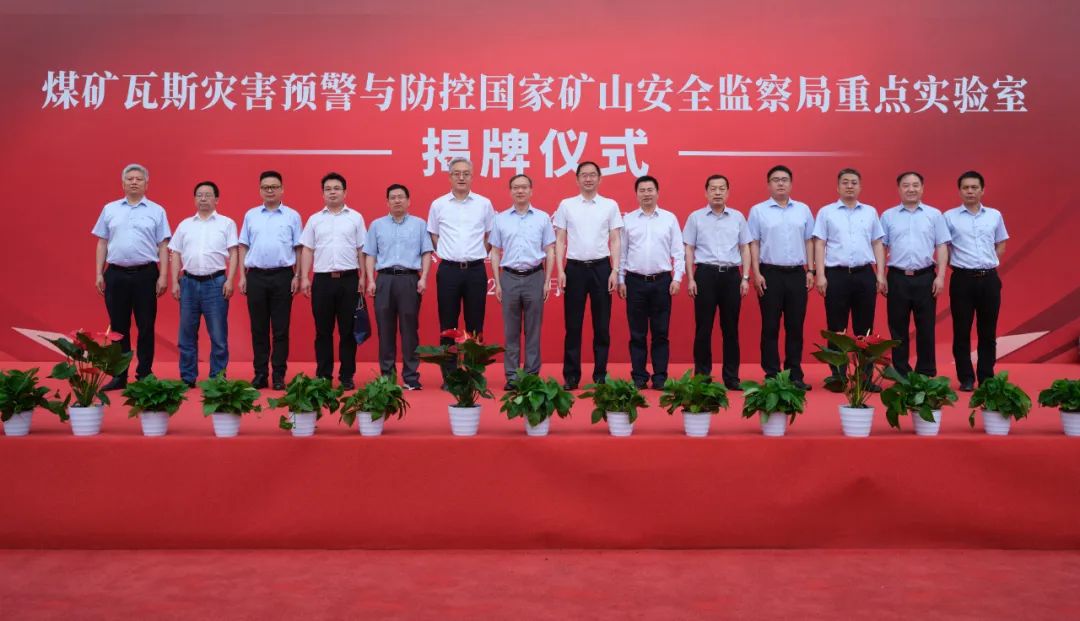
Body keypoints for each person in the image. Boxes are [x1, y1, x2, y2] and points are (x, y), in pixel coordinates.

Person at [92, 163, 171, 390]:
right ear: (123, 183)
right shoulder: (110, 209)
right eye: (130, 179)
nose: (134, 182)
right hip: (116, 274)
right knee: (118, 328)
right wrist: (99, 273)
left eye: (139, 179)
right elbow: (102, 242)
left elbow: (163, 245)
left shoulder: (157, 211)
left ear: (146, 184)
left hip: (146, 274)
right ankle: (120, 375)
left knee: (146, 325)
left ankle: (144, 373)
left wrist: (163, 275)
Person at [812, 168, 886, 388]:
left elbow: (877, 243)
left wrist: (880, 274)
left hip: (864, 274)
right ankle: (838, 377)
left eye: (854, 182)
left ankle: (865, 378)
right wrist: (820, 275)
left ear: (860, 187)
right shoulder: (826, 212)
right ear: (838, 187)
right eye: (845, 182)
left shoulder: (870, 212)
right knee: (837, 330)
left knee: (866, 329)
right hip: (836, 275)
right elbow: (820, 243)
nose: (849, 186)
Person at [553, 161, 623, 389]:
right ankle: (571, 376)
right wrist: (560, 270)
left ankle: (600, 375)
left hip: (601, 268)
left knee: (602, 326)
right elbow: (560, 240)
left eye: (593, 175)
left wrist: (615, 270)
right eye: (584, 175)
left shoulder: (610, 205)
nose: (588, 179)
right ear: (577, 179)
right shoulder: (566, 205)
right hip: (574, 269)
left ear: (600, 178)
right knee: (573, 326)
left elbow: (615, 240)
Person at [427, 158, 495, 388]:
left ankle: (474, 374)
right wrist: (448, 252)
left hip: (475, 270)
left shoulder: (484, 204)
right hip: (448, 270)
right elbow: (434, 235)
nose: (461, 177)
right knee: (448, 324)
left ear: (472, 176)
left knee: (475, 323)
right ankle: (450, 376)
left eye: (466, 173)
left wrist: (477, 253)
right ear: (449, 177)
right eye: (456, 173)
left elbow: (490, 235)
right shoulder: (438, 205)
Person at [747, 165, 815, 391]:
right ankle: (772, 374)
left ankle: (794, 374)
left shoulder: (803, 210)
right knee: (770, 326)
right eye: (775, 180)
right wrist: (756, 273)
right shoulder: (758, 211)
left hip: (797, 274)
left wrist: (811, 270)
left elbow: (809, 241)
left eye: (784, 179)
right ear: (768, 185)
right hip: (769, 274)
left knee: (795, 327)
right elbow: (753, 243)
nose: (780, 183)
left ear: (791, 183)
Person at [299, 172, 366, 390]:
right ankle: (324, 375)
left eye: (337, 188)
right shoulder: (314, 219)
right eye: (328, 189)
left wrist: (363, 276)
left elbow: (361, 249)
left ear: (345, 192)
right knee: (323, 331)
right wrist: (305, 277)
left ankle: (347, 376)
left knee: (348, 331)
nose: (332, 192)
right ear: (323, 193)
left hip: (349, 279)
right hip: (322, 281)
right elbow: (307, 249)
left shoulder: (355, 218)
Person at [683, 174, 752, 390]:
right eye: (713, 189)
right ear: (706, 193)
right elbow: (689, 249)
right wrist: (691, 279)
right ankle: (702, 377)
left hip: (731, 276)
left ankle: (731, 377)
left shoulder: (737, 217)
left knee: (730, 328)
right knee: (703, 328)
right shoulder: (696, 217)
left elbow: (745, 248)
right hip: (705, 274)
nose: (718, 192)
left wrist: (745, 277)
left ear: (728, 192)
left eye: (722, 188)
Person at [879, 172, 950, 377]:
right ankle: (902, 373)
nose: (911, 189)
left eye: (915, 185)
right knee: (897, 328)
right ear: (899, 189)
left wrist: (941, 276)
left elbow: (942, 246)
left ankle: (925, 372)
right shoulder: (888, 216)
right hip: (897, 277)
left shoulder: (934, 215)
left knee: (926, 327)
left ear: (922, 188)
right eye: (906, 185)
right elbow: (881, 247)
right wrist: (881, 275)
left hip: (926, 277)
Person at [168, 181, 239, 386]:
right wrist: (175, 282)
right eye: (199, 195)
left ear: (217, 199)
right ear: (194, 199)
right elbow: (176, 253)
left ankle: (217, 378)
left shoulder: (226, 223)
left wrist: (230, 280)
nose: (203, 198)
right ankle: (187, 377)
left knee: (218, 335)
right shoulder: (185, 225)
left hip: (215, 283)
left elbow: (234, 253)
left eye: (208, 195)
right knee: (186, 335)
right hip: (188, 283)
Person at [237, 170, 303, 390]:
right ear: (260, 190)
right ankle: (260, 374)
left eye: (274, 187)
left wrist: (297, 275)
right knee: (258, 328)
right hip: (255, 276)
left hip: (283, 276)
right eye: (265, 187)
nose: (270, 190)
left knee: (281, 329)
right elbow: (243, 246)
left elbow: (299, 248)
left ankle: (279, 375)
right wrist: (242, 276)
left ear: (282, 189)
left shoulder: (292, 216)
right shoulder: (251, 215)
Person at [489, 174, 556, 390]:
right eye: (516, 187)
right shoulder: (500, 219)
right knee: (511, 331)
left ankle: (531, 377)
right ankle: (512, 377)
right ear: (510, 191)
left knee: (533, 330)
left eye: (524, 187)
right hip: (508, 277)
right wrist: (498, 282)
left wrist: (547, 281)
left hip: (535, 276)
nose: (520, 191)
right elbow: (495, 252)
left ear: (531, 190)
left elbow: (550, 250)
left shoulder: (542, 218)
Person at [618, 175, 684, 389]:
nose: (646, 194)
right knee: (637, 333)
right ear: (636, 194)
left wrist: (677, 278)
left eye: (650, 190)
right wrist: (621, 280)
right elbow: (622, 253)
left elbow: (678, 251)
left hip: (662, 281)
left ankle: (660, 376)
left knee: (660, 332)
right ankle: (639, 376)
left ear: (657, 192)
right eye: (642, 190)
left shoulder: (669, 218)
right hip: (635, 282)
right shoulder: (628, 220)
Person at [364, 183, 433, 391]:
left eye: (401, 197)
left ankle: (411, 377)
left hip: (409, 279)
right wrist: (371, 280)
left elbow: (426, 252)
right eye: (393, 197)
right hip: (384, 279)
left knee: (410, 330)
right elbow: (370, 254)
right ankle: (387, 377)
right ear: (387, 202)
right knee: (385, 330)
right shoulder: (377, 225)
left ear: (408, 201)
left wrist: (424, 278)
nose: (397, 200)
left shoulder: (419, 224)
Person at [945, 170, 1008, 392]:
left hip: (989, 279)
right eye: (965, 188)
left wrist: (988, 263)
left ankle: (986, 376)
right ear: (959, 191)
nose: (970, 191)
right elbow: (944, 247)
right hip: (962, 279)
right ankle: (966, 378)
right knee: (961, 330)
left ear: (982, 190)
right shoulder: (949, 217)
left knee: (988, 332)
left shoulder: (994, 215)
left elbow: (1001, 243)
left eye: (974, 187)